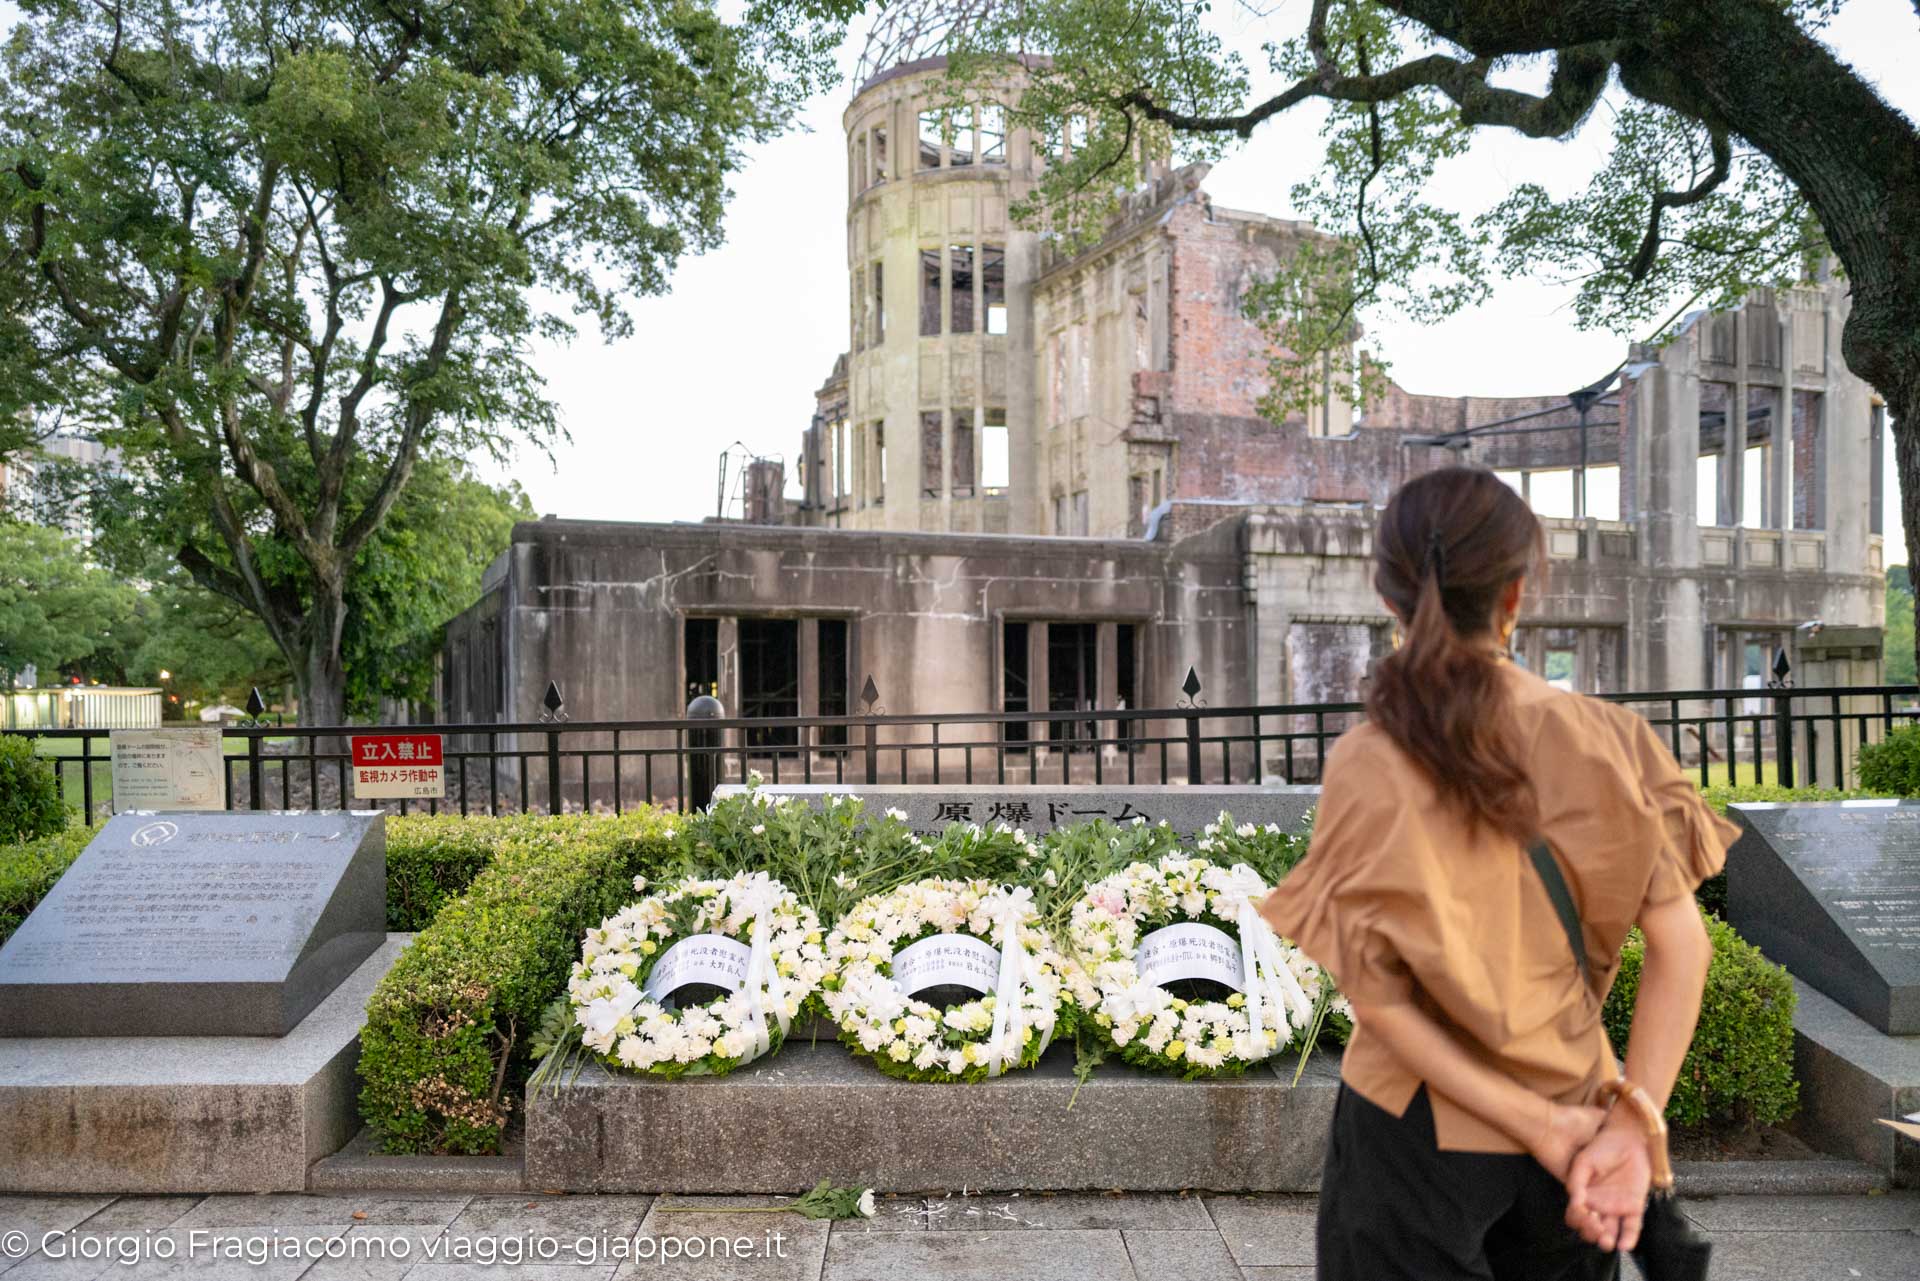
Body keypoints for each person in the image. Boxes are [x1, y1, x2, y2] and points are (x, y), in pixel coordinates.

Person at [1259, 467, 1737, 1280]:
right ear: (1516, 595)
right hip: (1579, 1136)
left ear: (1390, 600)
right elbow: (1683, 950)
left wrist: (1533, 1123)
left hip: (1411, 1138)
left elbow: (1376, 997)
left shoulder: (1369, 760)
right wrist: (1629, 1126)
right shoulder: (1615, 741)